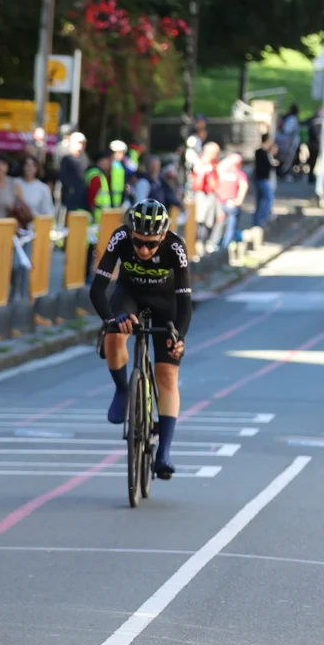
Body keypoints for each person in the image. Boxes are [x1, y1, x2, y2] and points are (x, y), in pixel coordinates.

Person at [89, 199, 192, 480]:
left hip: (166, 304)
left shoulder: (175, 247)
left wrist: (179, 336)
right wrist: (111, 320)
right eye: (138, 242)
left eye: (151, 244)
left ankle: (164, 453)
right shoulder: (120, 237)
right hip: (129, 296)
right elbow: (97, 290)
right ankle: (123, 389)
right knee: (113, 336)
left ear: (163, 236)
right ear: (130, 233)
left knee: (167, 375)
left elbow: (185, 302)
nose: (144, 250)